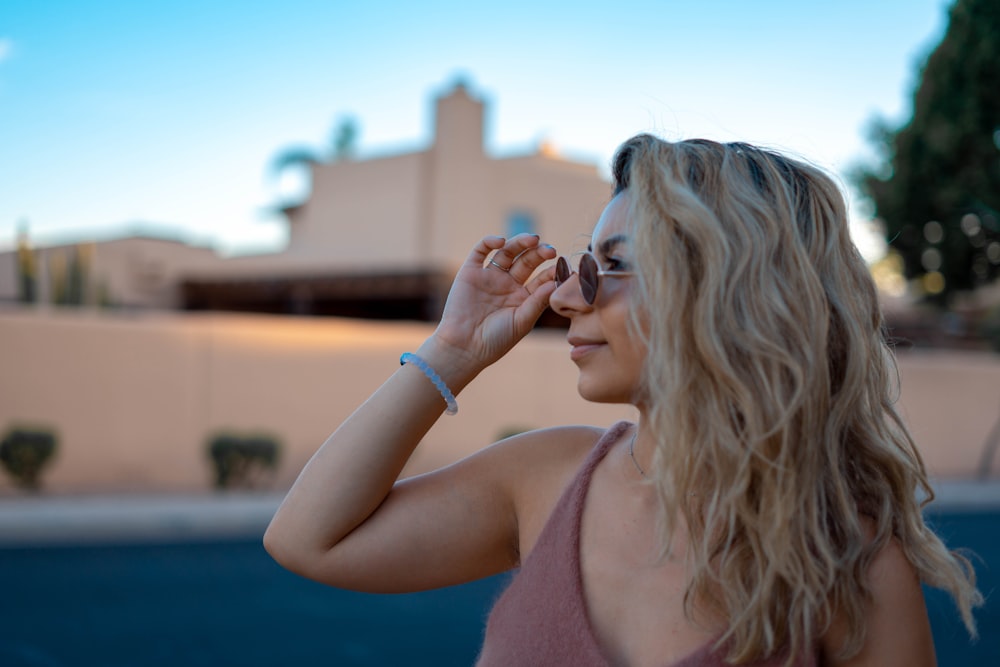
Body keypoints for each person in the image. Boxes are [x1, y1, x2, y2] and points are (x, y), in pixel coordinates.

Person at [264, 134, 981, 666]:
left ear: (728, 291)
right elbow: (308, 539)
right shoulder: (544, 477)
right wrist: (453, 349)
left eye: (613, 267)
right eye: (582, 265)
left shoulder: (850, 561)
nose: (567, 295)